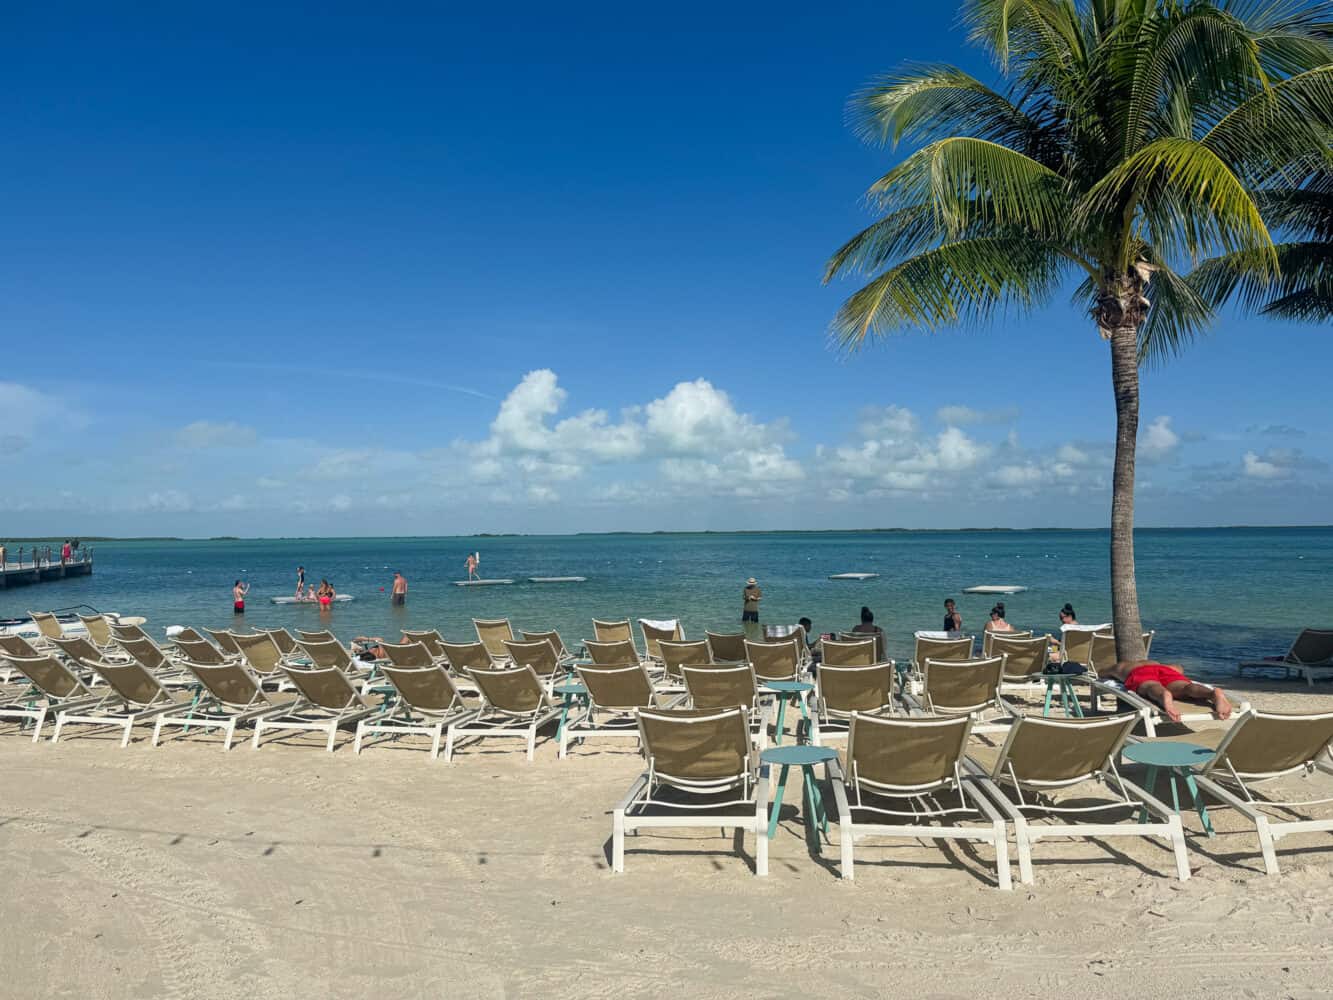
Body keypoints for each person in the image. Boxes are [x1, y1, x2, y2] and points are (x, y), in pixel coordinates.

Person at [1101, 660, 1233, 724]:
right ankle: (1211, 693)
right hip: (1165, 670)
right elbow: (1179, 668)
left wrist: (1109, 671)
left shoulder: (1123, 666)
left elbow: (1102, 672)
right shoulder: (1159, 663)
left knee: (1150, 686)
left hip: (1139, 673)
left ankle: (1163, 694)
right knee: (1185, 687)